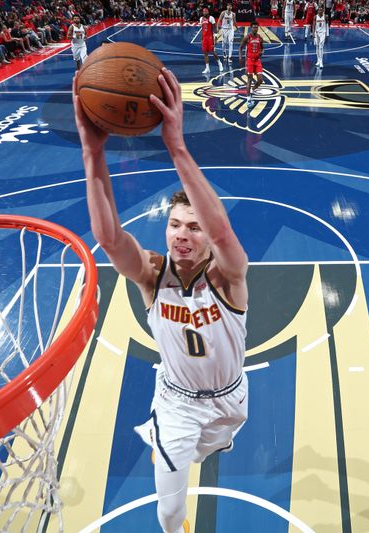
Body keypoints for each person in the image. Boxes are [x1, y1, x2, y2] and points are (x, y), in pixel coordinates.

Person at [73, 66, 249, 533]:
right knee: (170, 512)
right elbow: (110, 239)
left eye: (193, 227)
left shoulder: (230, 276)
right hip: (177, 402)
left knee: (211, 444)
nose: (182, 235)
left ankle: (203, 442)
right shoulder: (152, 274)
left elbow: (224, 231)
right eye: (175, 225)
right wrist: (93, 152)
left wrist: (178, 146)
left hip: (232, 401)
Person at [239, 20, 264, 108]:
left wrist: (261, 52)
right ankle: (248, 98)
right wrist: (240, 57)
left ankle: (252, 90)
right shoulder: (247, 37)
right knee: (250, 79)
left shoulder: (260, 37)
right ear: (251, 28)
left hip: (257, 60)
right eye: (254, 27)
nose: (255, 28)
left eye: (256, 27)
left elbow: (262, 48)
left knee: (260, 80)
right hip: (249, 60)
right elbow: (240, 48)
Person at [199, 7, 223, 74]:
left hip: (210, 38)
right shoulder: (201, 19)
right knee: (205, 53)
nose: (204, 12)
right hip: (204, 38)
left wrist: (215, 36)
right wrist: (201, 38)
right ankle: (207, 68)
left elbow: (214, 28)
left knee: (212, 52)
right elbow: (202, 29)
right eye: (203, 11)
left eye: (206, 11)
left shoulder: (211, 18)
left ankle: (220, 63)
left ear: (208, 12)